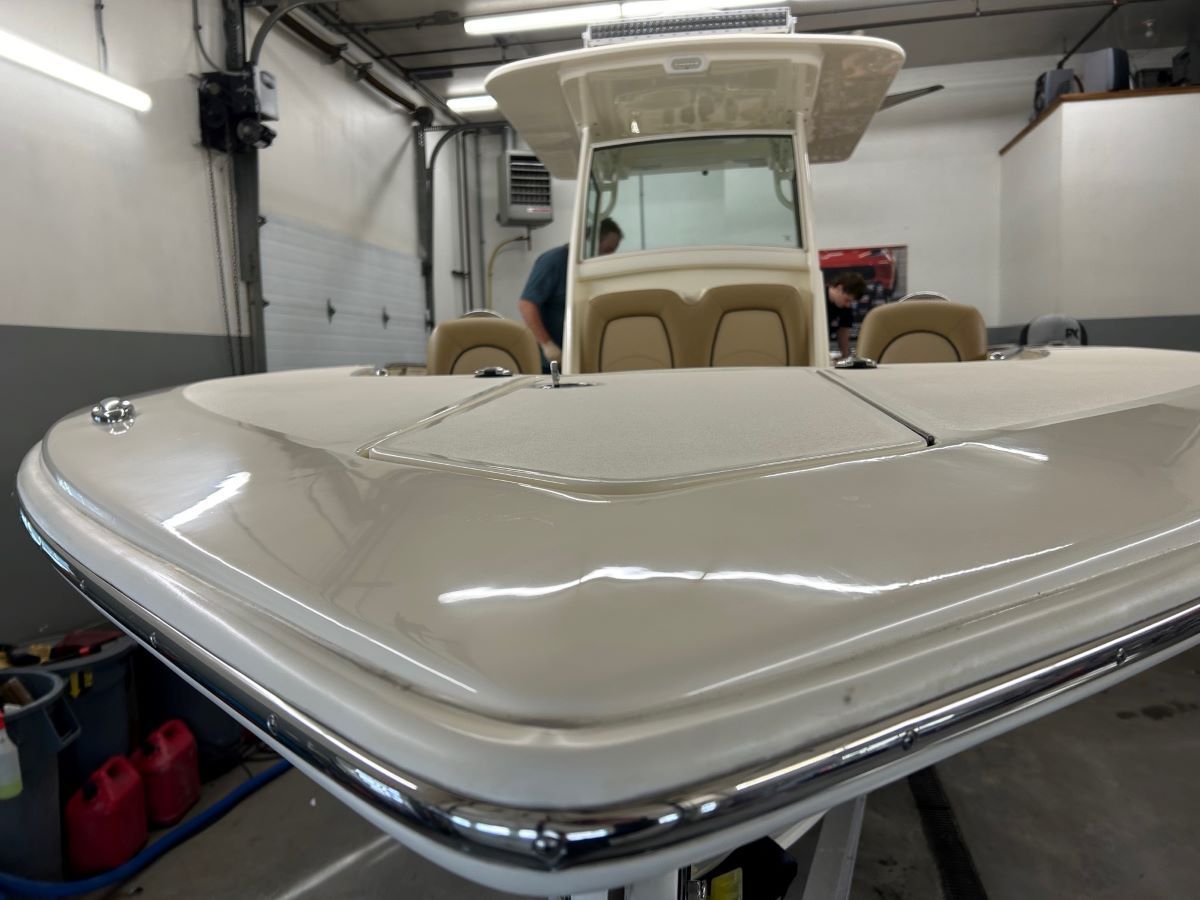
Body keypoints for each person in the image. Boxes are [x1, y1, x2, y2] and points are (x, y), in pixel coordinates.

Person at [518, 218, 622, 370]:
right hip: (551, 361)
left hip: (579, 356)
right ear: (589, 242)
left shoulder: (591, 268)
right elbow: (526, 304)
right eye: (607, 250)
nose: (609, 256)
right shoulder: (554, 261)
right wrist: (547, 345)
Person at [825, 271, 867, 359]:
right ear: (839, 288)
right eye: (847, 300)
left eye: (851, 302)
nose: (848, 305)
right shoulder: (818, 298)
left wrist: (846, 357)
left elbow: (843, 334)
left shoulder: (846, 308)